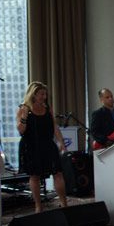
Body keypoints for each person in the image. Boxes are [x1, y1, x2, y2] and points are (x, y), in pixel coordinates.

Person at [16, 81, 68, 213]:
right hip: (31, 146)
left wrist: (61, 142)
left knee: (58, 172)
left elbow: (54, 126)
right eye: (41, 94)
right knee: (35, 176)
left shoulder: (47, 108)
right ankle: (38, 206)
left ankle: (64, 202)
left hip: (47, 144)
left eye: (45, 94)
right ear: (33, 94)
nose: (44, 97)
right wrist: (24, 116)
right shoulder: (23, 109)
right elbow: (21, 131)